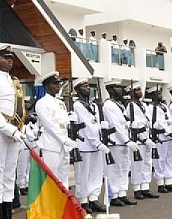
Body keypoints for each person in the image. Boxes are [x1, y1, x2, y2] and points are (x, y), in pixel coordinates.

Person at [0, 45, 27, 219]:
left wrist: (18, 130)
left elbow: (20, 108)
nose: (9, 60)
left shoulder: (14, 81)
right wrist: (10, 130)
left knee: (10, 175)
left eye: (11, 58)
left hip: (14, 131)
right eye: (5, 57)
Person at [35, 71, 77, 189]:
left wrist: (70, 119)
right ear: (47, 86)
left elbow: (62, 122)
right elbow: (50, 125)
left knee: (63, 177)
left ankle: (63, 202)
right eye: (55, 84)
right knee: (51, 177)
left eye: (59, 84)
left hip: (64, 145)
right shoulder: (42, 103)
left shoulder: (60, 103)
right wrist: (65, 140)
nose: (58, 86)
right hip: (51, 144)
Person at [72, 78, 108, 213]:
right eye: (84, 86)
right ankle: (83, 201)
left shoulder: (93, 105)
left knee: (96, 173)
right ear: (77, 90)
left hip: (96, 145)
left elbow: (96, 123)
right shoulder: (77, 106)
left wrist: (102, 126)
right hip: (85, 145)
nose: (88, 88)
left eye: (88, 86)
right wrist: (97, 143)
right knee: (83, 174)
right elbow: (87, 126)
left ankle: (93, 198)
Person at [102, 79, 138, 206]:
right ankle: (113, 195)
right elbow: (115, 125)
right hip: (116, 142)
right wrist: (127, 140)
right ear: (110, 90)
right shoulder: (108, 105)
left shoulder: (119, 104)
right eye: (116, 87)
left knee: (124, 168)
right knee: (114, 170)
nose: (120, 89)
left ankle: (122, 193)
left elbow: (123, 122)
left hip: (123, 141)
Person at [124, 84, 159, 200]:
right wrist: (141, 136)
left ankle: (145, 187)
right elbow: (131, 123)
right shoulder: (130, 106)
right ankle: (137, 189)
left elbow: (147, 121)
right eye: (137, 90)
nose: (140, 92)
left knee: (147, 164)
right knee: (137, 165)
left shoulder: (144, 105)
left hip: (147, 138)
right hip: (138, 140)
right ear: (131, 93)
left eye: (140, 89)